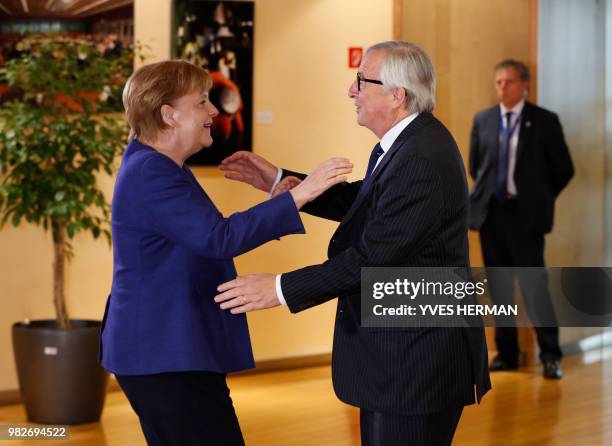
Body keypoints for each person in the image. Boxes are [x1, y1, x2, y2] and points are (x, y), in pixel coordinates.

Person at [215, 41, 491, 446]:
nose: (351, 91)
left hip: (415, 361)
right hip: (405, 355)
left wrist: (278, 289)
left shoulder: (420, 155)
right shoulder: (413, 141)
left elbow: (372, 257)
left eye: (361, 81)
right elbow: (367, 201)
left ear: (397, 95)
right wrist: (283, 182)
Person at [99, 60, 353, 446]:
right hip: (164, 353)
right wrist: (302, 193)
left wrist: (281, 199)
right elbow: (219, 237)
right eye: (202, 102)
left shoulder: (160, 166)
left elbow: (205, 234)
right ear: (169, 115)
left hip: (169, 350)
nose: (214, 111)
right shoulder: (153, 171)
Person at [467, 59, 574, 379]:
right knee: (499, 289)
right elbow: (476, 167)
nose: (502, 87)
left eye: (508, 81)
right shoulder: (483, 120)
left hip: (526, 219)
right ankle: (507, 353)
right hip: (491, 215)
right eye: (498, 81)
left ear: (524, 84)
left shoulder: (544, 121)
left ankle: (551, 355)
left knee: (534, 288)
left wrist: (538, 198)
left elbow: (563, 169)